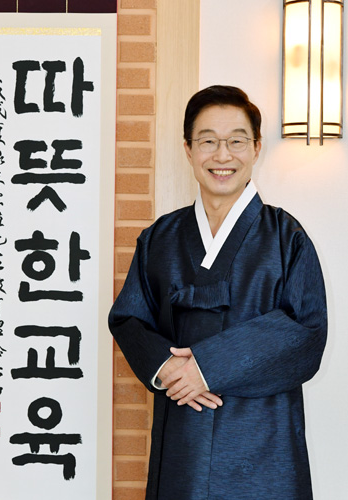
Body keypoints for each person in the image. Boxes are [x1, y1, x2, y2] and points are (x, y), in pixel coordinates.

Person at [108, 85, 327, 500]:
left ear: (256, 147)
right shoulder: (160, 238)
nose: (222, 155)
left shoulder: (287, 238)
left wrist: (207, 367)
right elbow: (129, 318)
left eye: (236, 141)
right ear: (188, 149)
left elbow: (307, 331)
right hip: (183, 435)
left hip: (264, 437)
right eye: (208, 141)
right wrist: (168, 368)